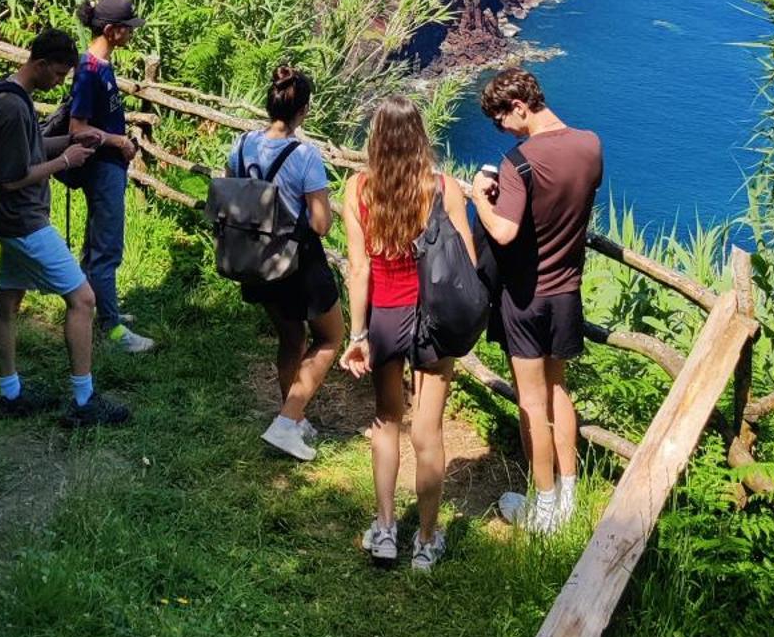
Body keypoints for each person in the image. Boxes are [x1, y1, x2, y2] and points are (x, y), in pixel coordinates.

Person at [340, 96, 477, 572]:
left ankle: (383, 529)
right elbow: (467, 263)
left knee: (385, 420)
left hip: (384, 315)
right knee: (428, 430)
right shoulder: (443, 189)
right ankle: (426, 537)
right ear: (420, 135)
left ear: (375, 137)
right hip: (434, 319)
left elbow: (359, 271)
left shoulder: (357, 188)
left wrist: (357, 334)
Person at [0, 28, 131, 429]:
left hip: (12, 222)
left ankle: (10, 393)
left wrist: (68, 143)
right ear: (41, 64)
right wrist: (67, 161)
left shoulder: (7, 92)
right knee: (82, 299)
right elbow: (12, 178)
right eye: (59, 74)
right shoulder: (11, 108)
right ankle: (84, 400)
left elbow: (28, 151)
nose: (60, 82)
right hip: (24, 222)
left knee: (8, 300)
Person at [470, 66, 602, 532]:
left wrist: (480, 199)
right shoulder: (591, 145)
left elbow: (505, 231)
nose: (501, 128)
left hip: (526, 295)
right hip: (567, 290)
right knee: (558, 390)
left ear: (519, 108)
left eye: (501, 119)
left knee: (531, 400)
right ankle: (569, 496)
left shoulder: (518, 162)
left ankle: (542, 507)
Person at [229, 64, 344, 463]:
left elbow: (235, 193)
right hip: (299, 263)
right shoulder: (305, 156)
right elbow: (321, 224)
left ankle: (290, 415)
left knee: (291, 339)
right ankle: (286, 421)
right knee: (330, 339)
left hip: (257, 261)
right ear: (304, 110)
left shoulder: (241, 145)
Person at [69, 0, 155, 356]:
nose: (131, 33)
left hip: (109, 165)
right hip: (102, 168)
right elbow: (77, 127)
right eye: (126, 28)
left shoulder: (102, 65)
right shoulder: (89, 72)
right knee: (107, 249)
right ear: (110, 30)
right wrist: (118, 141)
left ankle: (101, 308)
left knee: (96, 246)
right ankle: (113, 329)